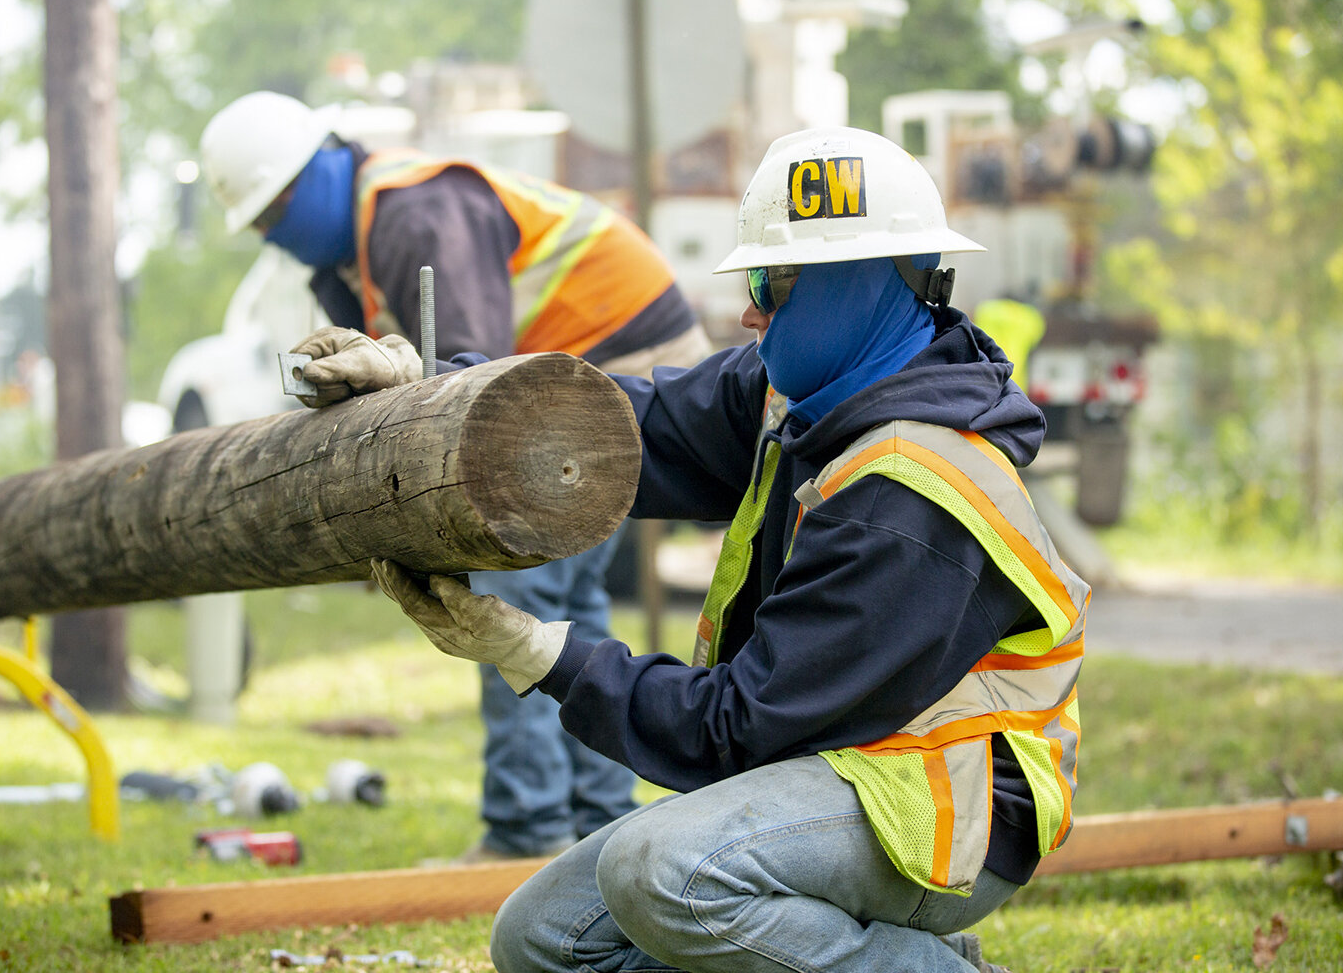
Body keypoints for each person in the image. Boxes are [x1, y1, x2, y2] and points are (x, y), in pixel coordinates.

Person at [339, 124, 1086, 972]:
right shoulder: (801, 395)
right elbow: (621, 427)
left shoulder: (911, 491)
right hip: (827, 770)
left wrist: (538, 654)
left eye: (769, 281)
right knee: (539, 941)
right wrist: (436, 386)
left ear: (853, 285)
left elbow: (738, 730)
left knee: (663, 873)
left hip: (936, 812)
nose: (748, 310)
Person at [199, 90, 713, 862]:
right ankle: (596, 825)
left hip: (622, 362)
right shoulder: (354, 249)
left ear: (320, 170)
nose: (275, 233)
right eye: (262, 224)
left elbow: (468, 383)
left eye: (276, 211)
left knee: (517, 589)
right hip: (598, 368)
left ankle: (526, 829)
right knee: (571, 600)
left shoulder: (413, 211)